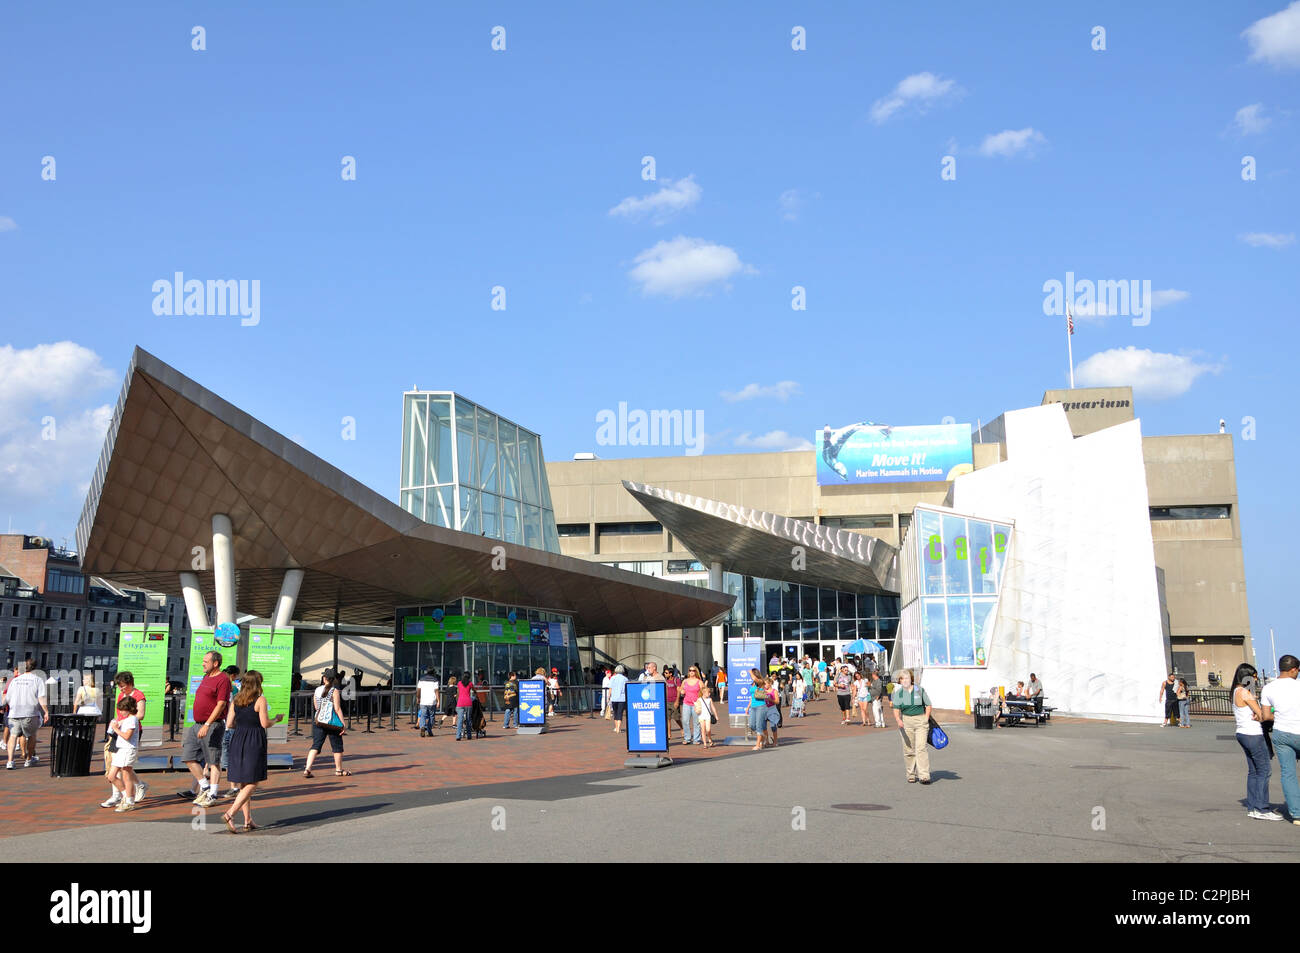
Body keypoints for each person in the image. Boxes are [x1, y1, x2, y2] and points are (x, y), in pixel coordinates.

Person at [223, 670, 284, 833]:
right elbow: (264, 723)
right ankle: (230, 813)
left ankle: (247, 820)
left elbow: (229, 723)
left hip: (238, 738)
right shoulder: (260, 700)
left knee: (244, 781)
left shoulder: (236, 699)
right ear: (257, 684)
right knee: (253, 781)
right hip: (254, 739)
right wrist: (276, 719)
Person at [1230, 663, 1281, 820]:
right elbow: (1262, 715)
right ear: (1246, 676)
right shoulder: (1245, 693)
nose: (1255, 679)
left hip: (1242, 733)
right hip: (1253, 734)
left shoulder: (1236, 691)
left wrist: (1258, 714)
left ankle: (1253, 806)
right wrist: (1271, 712)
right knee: (1264, 770)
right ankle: (1262, 808)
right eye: (1253, 676)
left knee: (1254, 771)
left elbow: (1257, 714)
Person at [180, 650, 230, 808]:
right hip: (196, 725)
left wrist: (208, 724)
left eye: (206, 661)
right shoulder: (206, 677)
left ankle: (213, 794)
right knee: (188, 756)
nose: (202, 663)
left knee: (213, 760)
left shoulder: (223, 679)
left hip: (212, 725)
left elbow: (221, 704)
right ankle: (205, 787)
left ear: (215, 663)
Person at [1260, 655, 1300, 825]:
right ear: (1294, 669)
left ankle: (1296, 814)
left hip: (1282, 732)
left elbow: (1267, 716)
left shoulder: (1268, 688)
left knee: (1288, 773)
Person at [106, 672, 147, 808]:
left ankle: (131, 792)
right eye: (120, 687)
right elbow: (118, 714)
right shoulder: (120, 695)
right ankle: (119, 794)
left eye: (123, 686)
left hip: (130, 731)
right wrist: (114, 727)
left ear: (130, 684)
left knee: (126, 768)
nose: (121, 689)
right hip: (119, 731)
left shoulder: (138, 695)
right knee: (114, 763)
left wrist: (123, 722)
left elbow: (140, 715)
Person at [304, 669, 349, 778]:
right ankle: (338, 770)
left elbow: (316, 707)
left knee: (316, 745)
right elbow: (337, 709)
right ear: (334, 680)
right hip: (332, 722)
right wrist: (343, 724)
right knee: (337, 746)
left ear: (324, 679)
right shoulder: (335, 691)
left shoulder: (317, 690)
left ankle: (307, 768)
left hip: (319, 721)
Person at [5, 659, 48, 769]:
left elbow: (8, 698)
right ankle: (28, 759)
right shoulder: (37, 680)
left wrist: (13, 706)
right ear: (35, 668)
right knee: (31, 735)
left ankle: (10, 761)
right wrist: (46, 711)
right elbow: (41, 697)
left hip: (14, 712)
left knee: (13, 736)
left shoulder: (15, 680)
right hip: (30, 712)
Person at [892, 670, 933, 785]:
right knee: (908, 749)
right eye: (902, 679)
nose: (905, 680)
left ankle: (924, 775)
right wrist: (898, 719)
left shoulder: (919, 690)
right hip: (906, 721)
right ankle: (911, 774)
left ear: (911, 679)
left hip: (920, 720)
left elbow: (928, 705)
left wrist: (926, 717)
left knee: (921, 748)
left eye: (907, 678)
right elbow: (896, 709)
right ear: (900, 681)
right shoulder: (899, 693)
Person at [104, 696, 140, 812]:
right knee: (111, 776)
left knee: (126, 775)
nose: (121, 712)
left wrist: (116, 729)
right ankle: (126, 795)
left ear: (129, 709)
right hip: (121, 749)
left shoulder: (132, 719)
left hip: (128, 749)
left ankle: (129, 800)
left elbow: (127, 736)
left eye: (123, 709)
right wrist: (115, 726)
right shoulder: (126, 719)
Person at [679, 665, 705, 745]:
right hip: (686, 703)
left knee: (696, 722)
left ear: (696, 672)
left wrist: (701, 699)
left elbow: (704, 691)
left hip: (696, 704)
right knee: (685, 721)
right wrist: (682, 692)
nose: (691, 672)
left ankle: (696, 739)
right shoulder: (685, 681)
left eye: (693, 670)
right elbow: (681, 689)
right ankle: (687, 738)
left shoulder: (699, 682)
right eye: (690, 670)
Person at [416, 668, 440, 737]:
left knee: (423, 715)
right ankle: (429, 731)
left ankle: (422, 726)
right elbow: (436, 691)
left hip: (423, 701)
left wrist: (418, 698)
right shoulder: (435, 680)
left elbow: (418, 690)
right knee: (431, 716)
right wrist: (438, 701)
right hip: (432, 701)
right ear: (433, 672)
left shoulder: (421, 679)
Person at [749, 675, 770, 750]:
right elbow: (752, 696)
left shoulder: (761, 682)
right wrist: (748, 707)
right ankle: (763, 736)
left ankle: (758, 744)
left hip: (760, 706)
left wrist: (750, 671)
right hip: (753, 706)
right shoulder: (753, 683)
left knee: (759, 725)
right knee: (752, 725)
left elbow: (754, 678)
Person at [455, 670, 475, 741]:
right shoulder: (470, 683)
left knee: (460, 720)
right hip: (468, 703)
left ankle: (458, 736)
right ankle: (469, 735)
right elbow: (474, 690)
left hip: (460, 703)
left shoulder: (459, 683)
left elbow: (458, 692)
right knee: (468, 719)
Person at [609, 664, 629, 733]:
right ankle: (618, 728)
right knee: (620, 712)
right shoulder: (625, 679)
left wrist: (609, 697)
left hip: (614, 697)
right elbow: (627, 689)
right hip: (622, 698)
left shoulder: (612, 678)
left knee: (615, 712)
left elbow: (610, 688)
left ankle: (616, 727)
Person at [696, 683, 717, 748]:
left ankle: (710, 739)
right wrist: (697, 710)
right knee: (703, 730)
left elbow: (713, 707)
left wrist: (716, 715)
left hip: (708, 716)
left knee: (708, 729)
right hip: (701, 716)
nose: (709, 694)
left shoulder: (709, 699)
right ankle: (705, 743)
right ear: (704, 693)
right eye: (708, 693)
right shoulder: (699, 699)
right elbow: (697, 707)